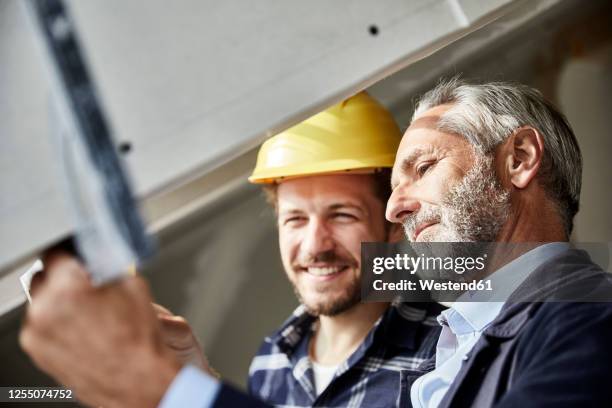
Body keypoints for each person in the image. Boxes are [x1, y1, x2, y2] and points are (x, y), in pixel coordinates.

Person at [20, 92, 442, 407]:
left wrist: (169, 388)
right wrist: (194, 373)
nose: (315, 245)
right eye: (295, 219)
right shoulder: (273, 359)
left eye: (342, 216)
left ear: (393, 226)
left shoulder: (447, 351)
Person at [385, 78, 612, 407]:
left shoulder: (589, 321)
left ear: (519, 159)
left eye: (424, 168)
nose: (394, 210)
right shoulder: (455, 342)